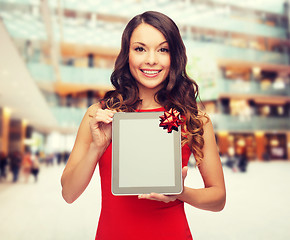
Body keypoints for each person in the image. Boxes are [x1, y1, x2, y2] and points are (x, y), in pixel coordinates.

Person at [61, 11, 226, 240]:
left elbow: (218, 199)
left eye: (163, 49)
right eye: (140, 49)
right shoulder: (100, 115)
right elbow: (68, 193)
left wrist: (181, 192)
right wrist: (97, 147)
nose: (151, 60)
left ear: (174, 56)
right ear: (127, 54)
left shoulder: (193, 118)